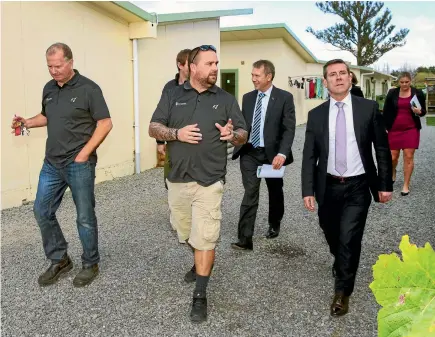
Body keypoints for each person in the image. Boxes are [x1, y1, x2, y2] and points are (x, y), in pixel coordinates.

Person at [148, 44, 247, 323]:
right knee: (186, 232)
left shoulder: (226, 99)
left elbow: (243, 132)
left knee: (205, 236)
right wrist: (176, 134)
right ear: (193, 67)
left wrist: (232, 135)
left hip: (210, 180)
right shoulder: (172, 94)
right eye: (209, 63)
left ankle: (200, 295)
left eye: (217, 63)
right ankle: (199, 260)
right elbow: (153, 127)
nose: (215, 68)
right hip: (178, 178)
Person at [11, 43, 113, 287]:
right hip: (52, 164)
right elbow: (47, 116)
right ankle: (60, 259)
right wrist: (27, 121)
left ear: (70, 62)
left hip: (78, 164)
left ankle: (90, 263)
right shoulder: (49, 88)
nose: (53, 71)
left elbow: (105, 123)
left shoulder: (89, 88)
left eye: (58, 66)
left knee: (84, 217)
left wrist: (84, 154)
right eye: (49, 66)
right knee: (41, 211)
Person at [301, 59, 393, 317]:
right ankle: (341, 260)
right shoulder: (316, 115)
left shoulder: (368, 108)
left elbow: (382, 149)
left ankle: (342, 291)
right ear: (326, 81)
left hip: (358, 186)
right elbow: (309, 155)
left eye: (343, 73)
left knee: (349, 239)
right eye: (333, 74)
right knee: (331, 233)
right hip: (327, 186)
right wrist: (308, 190)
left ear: (350, 78)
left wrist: (385, 184)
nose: (339, 77)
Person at [231, 60, 296, 250]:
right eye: (252, 75)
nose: (253, 79)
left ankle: (274, 223)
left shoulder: (284, 97)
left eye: (257, 75)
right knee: (250, 192)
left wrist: (282, 153)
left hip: (272, 156)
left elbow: (289, 129)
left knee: (275, 192)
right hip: (250, 153)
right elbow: (243, 125)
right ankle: (245, 238)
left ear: (269, 76)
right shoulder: (247, 98)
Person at [382, 72, 426, 196]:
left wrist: (419, 111)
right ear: (398, 82)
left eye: (407, 82)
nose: (404, 84)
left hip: (411, 129)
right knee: (392, 157)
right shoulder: (392, 93)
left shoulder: (418, 93)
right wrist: (384, 127)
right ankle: (393, 171)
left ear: (410, 81)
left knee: (408, 156)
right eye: (402, 82)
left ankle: (406, 185)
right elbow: (386, 111)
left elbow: (423, 112)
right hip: (394, 129)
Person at [156, 48, 191, 188]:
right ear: (180, 65)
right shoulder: (169, 87)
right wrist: (160, 141)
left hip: (194, 141)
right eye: (190, 64)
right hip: (173, 141)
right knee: (171, 181)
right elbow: (162, 115)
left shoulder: (199, 86)